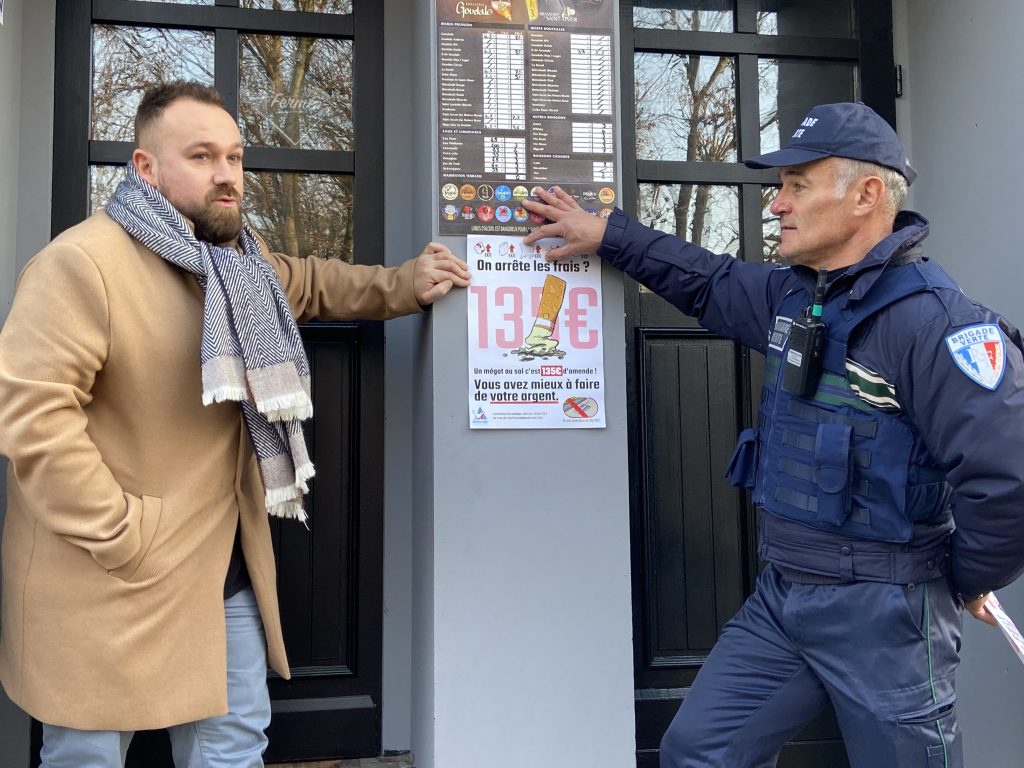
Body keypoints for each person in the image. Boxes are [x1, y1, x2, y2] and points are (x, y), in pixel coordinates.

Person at [522, 102, 1024, 768]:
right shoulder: (798, 298)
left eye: (797, 185)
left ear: (866, 195)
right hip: (785, 599)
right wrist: (610, 234)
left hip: (889, 614)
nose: (777, 204)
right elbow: (706, 280)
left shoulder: (936, 326)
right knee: (700, 752)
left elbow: (1008, 481)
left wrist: (951, 582)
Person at [0, 80, 470, 767]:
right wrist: (124, 531)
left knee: (233, 742)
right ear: (145, 168)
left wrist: (405, 283)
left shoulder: (237, 265)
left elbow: (308, 282)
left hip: (220, 568)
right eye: (201, 155)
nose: (227, 175)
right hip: (109, 573)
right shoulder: (80, 264)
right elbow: (32, 417)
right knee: (89, 755)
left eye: (234, 157)